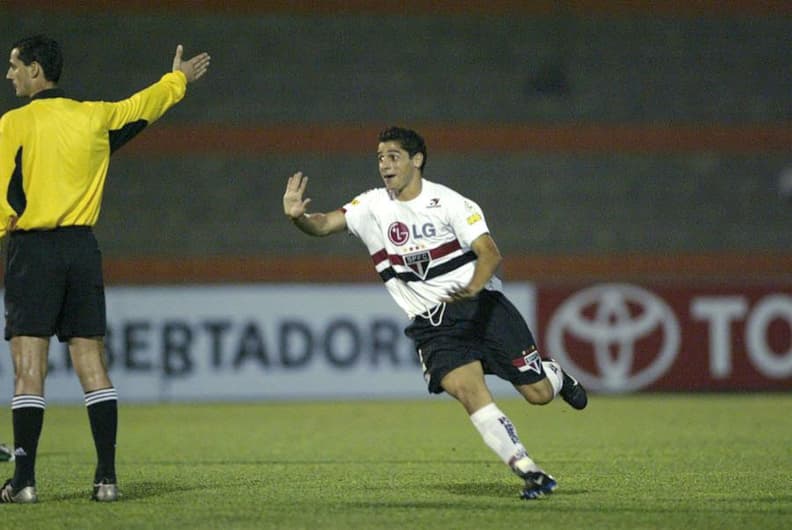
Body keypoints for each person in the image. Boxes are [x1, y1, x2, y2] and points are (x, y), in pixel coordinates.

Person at [283, 126, 588, 500]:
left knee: (538, 393)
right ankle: (530, 471)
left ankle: (554, 374)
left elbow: (490, 252)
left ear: (417, 160)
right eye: (379, 157)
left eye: (393, 156)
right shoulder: (371, 206)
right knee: (467, 391)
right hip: (433, 323)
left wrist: (475, 285)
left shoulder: (451, 203)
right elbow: (325, 224)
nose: (384, 165)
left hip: (482, 307)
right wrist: (299, 217)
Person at [0, 35, 210, 504]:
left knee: (28, 372)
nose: (9, 73)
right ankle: (107, 480)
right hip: (81, 250)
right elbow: (142, 107)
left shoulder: (12, 124)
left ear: (36, 71)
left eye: (14, 65)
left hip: (32, 252)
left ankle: (25, 482)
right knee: (93, 366)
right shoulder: (93, 116)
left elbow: (2, 198)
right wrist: (177, 80)